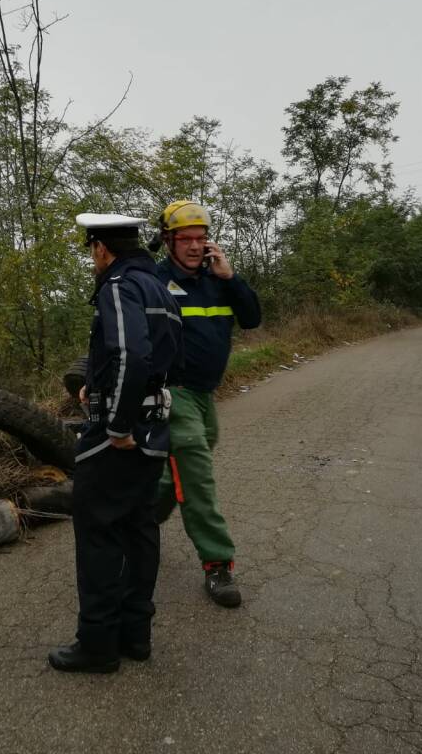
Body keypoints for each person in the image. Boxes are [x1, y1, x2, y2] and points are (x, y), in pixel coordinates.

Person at [49, 213, 182, 674]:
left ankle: (98, 645)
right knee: (138, 528)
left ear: (102, 249)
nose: (92, 260)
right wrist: (95, 383)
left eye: (92, 251)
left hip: (120, 437)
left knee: (98, 534)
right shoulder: (159, 287)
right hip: (156, 428)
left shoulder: (118, 286)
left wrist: (118, 424)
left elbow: (130, 352)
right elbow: (158, 356)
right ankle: (136, 637)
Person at [152, 201, 261, 608]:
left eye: (201, 238)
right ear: (168, 241)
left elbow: (251, 319)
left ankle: (141, 520)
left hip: (203, 394)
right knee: (196, 473)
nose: (196, 246)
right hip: (172, 392)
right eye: (186, 239)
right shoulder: (155, 280)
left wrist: (231, 278)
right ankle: (217, 563)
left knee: (181, 465)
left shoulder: (217, 279)